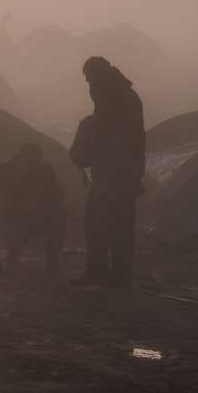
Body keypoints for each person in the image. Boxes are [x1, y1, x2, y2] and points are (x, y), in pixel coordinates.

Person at [69, 56, 145, 288]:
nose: (89, 85)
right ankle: (105, 273)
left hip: (118, 172)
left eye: (89, 79)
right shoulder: (116, 95)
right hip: (114, 171)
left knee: (112, 225)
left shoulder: (116, 98)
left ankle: (111, 275)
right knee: (103, 223)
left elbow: (116, 138)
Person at [0, 142, 64, 274]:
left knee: (58, 219)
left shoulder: (45, 169)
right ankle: (13, 258)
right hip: (14, 216)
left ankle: (52, 260)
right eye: (29, 162)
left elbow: (56, 194)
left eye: (34, 162)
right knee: (16, 227)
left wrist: (43, 205)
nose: (31, 166)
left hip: (39, 215)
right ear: (21, 158)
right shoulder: (5, 169)